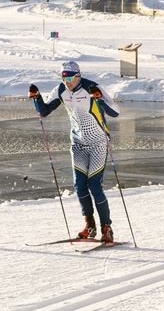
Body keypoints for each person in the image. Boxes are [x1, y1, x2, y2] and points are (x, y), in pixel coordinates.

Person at [29, 61, 120, 243]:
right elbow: (44, 112)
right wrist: (36, 97)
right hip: (78, 142)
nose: (67, 82)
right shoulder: (61, 90)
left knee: (94, 185)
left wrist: (99, 98)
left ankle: (106, 228)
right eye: (63, 78)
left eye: (70, 78)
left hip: (98, 143)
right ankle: (90, 225)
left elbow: (115, 112)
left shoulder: (91, 87)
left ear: (78, 75)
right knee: (79, 185)